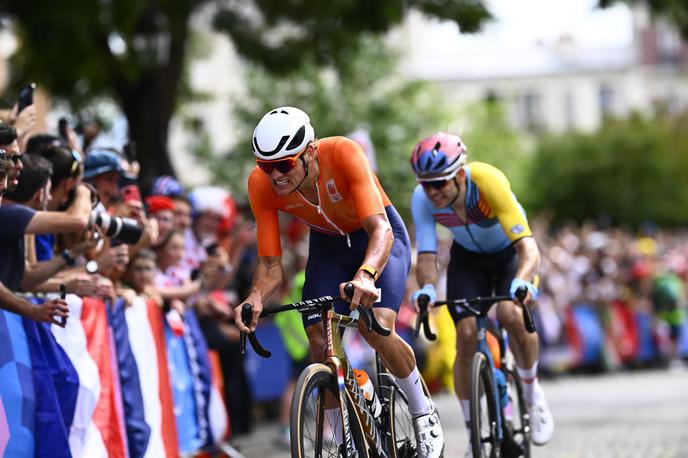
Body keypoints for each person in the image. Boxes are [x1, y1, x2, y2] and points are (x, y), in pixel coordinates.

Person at [233, 106, 444, 457]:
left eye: (284, 165)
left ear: (310, 152)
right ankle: (343, 437)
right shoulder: (262, 184)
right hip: (328, 248)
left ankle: (423, 411)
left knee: (376, 328)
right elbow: (271, 264)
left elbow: (381, 231)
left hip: (375, 236)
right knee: (320, 342)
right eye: (265, 166)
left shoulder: (343, 152)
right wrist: (255, 297)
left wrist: (365, 275)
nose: (275, 177)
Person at [409, 132, 554, 455]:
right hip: (468, 262)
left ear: (459, 174)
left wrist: (522, 279)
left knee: (509, 313)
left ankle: (531, 392)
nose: (431, 192)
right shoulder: (422, 199)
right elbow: (428, 256)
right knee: (465, 332)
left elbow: (528, 249)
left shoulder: (487, 181)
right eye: (425, 184)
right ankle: (474, 430)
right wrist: (428, 288)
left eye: (439, 183)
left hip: (509, 256)